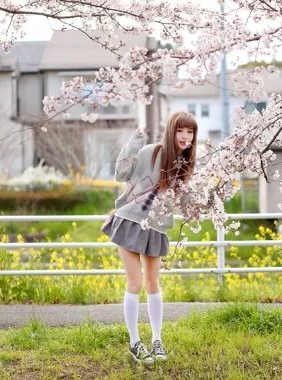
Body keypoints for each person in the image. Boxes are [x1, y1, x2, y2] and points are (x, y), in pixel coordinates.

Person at [101, 110, 198, 364]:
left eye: (190, 132)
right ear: (171, 131)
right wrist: (134, 144)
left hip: (156, 227)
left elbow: (186, 202)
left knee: (153, 285)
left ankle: (157, 341)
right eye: (180, 130)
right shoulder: (150, 153)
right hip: (131, 220)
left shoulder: (185, 167)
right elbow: (121, 175)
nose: (185, 136)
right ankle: (135, 342)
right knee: (135, 284)